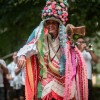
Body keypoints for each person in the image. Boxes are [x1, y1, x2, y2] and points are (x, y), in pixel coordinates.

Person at [17, 0, 88, 100]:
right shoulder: (42, 38)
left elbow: (73, 61)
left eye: (54, 23)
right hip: (46, 81)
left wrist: (72, 45)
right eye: (48, 22)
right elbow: (29, 47)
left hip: (64, 81)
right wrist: (23, 56)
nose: (50, 25)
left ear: (59, 24)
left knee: (71, 92)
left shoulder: (66, 39)